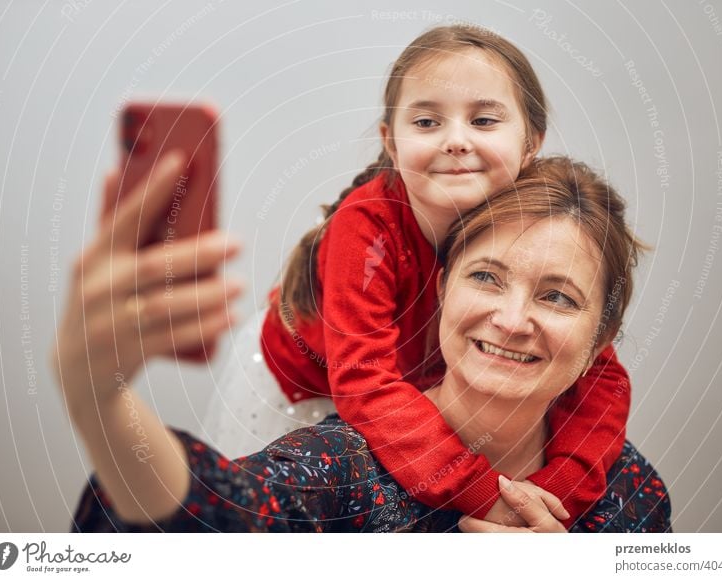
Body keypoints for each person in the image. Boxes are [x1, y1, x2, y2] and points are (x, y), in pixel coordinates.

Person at [61, 156, 670, 533]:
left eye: (557, 297)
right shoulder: (342, 470)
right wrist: (101, 403)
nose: (512, 319)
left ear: (601, 341)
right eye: (486, 276)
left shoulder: (632, 498)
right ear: (441, 289)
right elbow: (212, 518)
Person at [206, 24, 632, 525]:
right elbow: (363, 382)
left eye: (484, 120)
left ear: (531, 142)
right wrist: (485, 496)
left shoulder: (537, 221)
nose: (455, 140)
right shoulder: (366, 227)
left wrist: (546, 497)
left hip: (410, 382)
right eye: (427, 121)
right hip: (308, 384)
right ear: (390, 140)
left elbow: (601, 375)